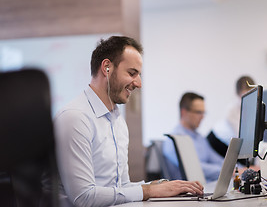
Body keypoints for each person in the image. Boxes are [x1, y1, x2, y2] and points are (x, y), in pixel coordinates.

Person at [54, 36, 203, 207]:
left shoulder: (117, 121)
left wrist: (162, 186)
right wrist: (148, 191)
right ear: (107, 67)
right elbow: (84, 197)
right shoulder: (75, 117)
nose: (139, 83)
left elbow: (120, 187)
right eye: (132, 73)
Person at [162, 92, 224, 182]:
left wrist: (240, 169)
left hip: (208, 186)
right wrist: (229, 172)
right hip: (189, 192)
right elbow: (195, 168)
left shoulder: (200, 138)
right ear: (184, 112)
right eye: (198, 112)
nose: (202, 117)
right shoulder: (174, 139)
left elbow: (218, 160)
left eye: (203, 113)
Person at [207, 76, 255, 157]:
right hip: (217, 140)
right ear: (238, 94)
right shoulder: (232, 109)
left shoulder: (253, 109)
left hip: (232, 144)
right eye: (244, 96)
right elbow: (240, 135)